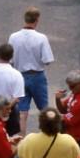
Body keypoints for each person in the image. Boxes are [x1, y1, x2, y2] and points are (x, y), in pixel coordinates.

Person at [8, 7, 54, 137]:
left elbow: (10, 59)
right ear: (37, 20)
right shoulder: (41, 38)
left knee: (22, 111)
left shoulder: (13, 37)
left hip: (20, 76)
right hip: (37, 76)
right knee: (44, 110)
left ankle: (21, 141)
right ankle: (47, 136)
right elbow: (48, 60)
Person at [56, 69, 80, 152]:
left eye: (72, 86)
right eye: (69, 86)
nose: (70, 89)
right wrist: (57, 99)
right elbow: (63, 110)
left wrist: (49, 118)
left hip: (78, 142)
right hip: (72, 138)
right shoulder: (76, 94)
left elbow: (65, 119)